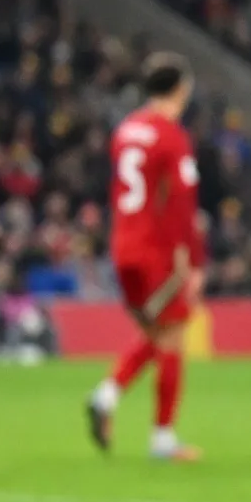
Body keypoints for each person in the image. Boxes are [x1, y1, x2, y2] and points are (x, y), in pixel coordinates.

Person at [87, 51, 206, 461]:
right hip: (158, 251)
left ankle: (106, 395)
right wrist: (191, 259)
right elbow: (180, 202)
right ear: (181, 89)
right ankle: (163, 438)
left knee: (156, 334)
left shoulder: (126, 130)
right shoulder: (172, 136)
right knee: (172, 338)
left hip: (123, 247)